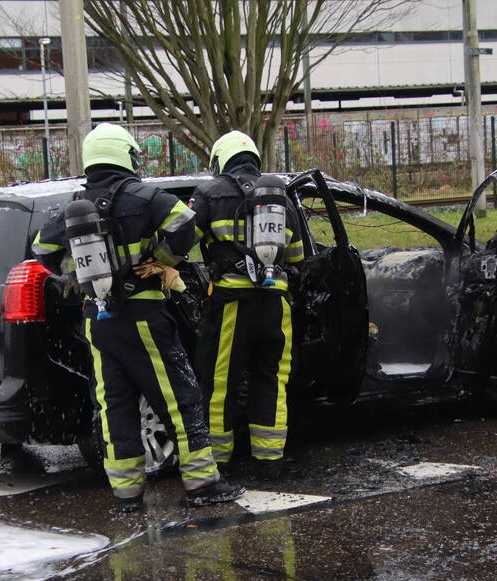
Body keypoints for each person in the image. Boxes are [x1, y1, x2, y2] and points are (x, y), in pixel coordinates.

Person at [32, 123, 244, 512]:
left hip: (98, 319)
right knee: (179, 396)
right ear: (125, 155)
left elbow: (41, 247)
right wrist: (160, 260)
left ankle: (126, 494)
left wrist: (75, 274)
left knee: (114, 404)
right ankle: (201, 484)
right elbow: (186, 225)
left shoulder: (72, 208)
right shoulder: (146, 197)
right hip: (144, 312)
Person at [191, 130, 305, 478]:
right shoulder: (281, 198)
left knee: (219, 383)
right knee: (271, 379)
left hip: (231, 304)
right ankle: (269, 460)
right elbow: (298, 255)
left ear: (219, 161)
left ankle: (218, 462)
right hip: (275, 305)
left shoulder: (210, 193)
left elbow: (184, 238)